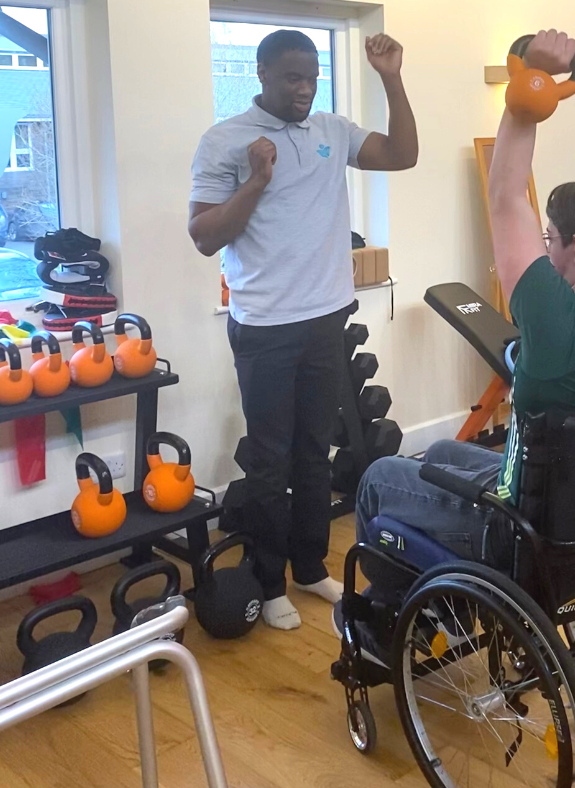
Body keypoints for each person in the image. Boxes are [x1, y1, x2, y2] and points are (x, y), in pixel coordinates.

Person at [346, 30, 575, 637]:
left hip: (529, 529)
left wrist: (529, 94)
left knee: (377, 478)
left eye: (550, 238)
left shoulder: (556, 320)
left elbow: (503, 195)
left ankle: (393, 625)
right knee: (442, 452)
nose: (544, 246)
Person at [189, 30, 418, 631]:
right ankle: (267, 583)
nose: (304, 88)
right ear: (261, 72)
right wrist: (256, 180)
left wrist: (391, 77)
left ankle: (310, 566)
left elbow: (402, 154)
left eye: (312, 76)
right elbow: (206, 235)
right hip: (264, 326)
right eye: (292, 76)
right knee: (270, 463)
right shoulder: (226, 141)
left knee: (316, 454)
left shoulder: (331, 131)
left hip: (325, 320)